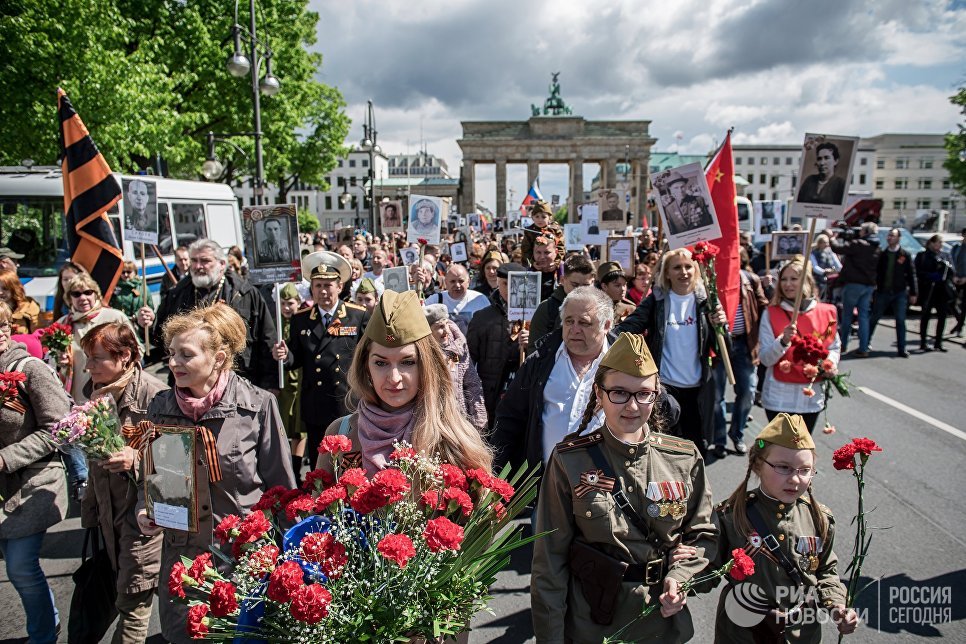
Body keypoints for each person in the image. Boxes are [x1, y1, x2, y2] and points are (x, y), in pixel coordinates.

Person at [531, 332, 716, 643]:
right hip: (593, 622)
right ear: (599, 394)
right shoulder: (570, 461)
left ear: (657, 395)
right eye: (619, 392)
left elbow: (705, 535)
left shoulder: (683, 458)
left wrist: (681, 577)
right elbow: (549, 561)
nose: (632, 406)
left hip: (661, 623)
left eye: (644, 394)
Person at [136, 303, 295, 644]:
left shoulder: (257, 405)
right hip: (184, 558)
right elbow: (152, 480)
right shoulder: (160, 409)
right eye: (171, 353)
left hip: (242, 558)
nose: (173, 363)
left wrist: (289, 561)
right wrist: (144, 509)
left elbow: (282, 489)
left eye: (186, 355)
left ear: (219, 358)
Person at [713, 414, 859, 642]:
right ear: (758, 466)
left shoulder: (819, 518)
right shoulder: (730, 516)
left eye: (804, 470)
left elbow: (826, 572)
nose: (795, 479)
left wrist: (837, 606)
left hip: (801, 633)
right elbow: (706, 568)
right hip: (742, 632)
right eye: (783, 467)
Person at [314, 289, 492, 477]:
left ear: (426, 366)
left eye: (407, 362)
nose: (394, 378)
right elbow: (319, 503)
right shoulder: (340, 434)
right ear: (365, 366)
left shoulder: (455, 438)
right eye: (381, 363)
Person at [78, 321, 166, 644]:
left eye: (95, 358)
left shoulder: (155, 396)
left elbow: (176, 464)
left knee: (133, 607)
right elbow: (94, 468)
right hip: (110, 522)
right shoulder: (96, 395)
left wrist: (136, 460)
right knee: (164, 600)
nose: (87, 367)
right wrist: (91, 516)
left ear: (125, 356)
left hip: (145, 522)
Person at [0, 302, 71, 644]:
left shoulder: (30, 369)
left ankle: (43, 634)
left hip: (32, 484)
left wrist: (6, 458)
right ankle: (49, 618)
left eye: (1, 326)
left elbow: (59, 429)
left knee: (20, 566)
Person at [616, 248, 728, 456]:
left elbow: (724, 349)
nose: (683, 272)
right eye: (677, 267)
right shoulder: (657, 301)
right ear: (667, 272)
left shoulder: (707, 302)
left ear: (696, 270)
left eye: (688, 267)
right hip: (665, 390)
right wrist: (601, 337)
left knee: (695, 453)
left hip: (698, 390)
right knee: (664, 452)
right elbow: (627, 328)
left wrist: (721, 326)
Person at [137, 239, 278, 390]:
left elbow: (267, 339)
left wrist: (270, 384)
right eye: (194, 261)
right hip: (191, 387)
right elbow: (160, 339)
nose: (198, 266)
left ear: (222, 264)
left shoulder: (245, 294)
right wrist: (147, 324)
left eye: (204, 261)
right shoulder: (177, 294)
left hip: (238, 384)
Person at [272, 251, 368, 460]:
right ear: (312, 289)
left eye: (328, 285)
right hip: (316, 402)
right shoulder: (301, 320)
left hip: (346, 400)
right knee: (321, 460)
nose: (323, 291)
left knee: (350, 459)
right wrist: (284, 355)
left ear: (339, 287)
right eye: (318, 285)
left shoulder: (357, 315)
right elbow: (295, 359)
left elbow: (367, 356)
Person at [757, 257, 840, 433]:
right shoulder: (771, 313)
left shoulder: (827, 312)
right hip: (779, 395)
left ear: (807, 281)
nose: (788, 284)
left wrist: (830, 364)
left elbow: (833, 346)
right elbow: (765, 358)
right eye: (784, 279)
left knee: (802, 449)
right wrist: (783, 341)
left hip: (811, 395)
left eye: (794, 279)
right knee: (779, 451)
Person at [711, 254, 769, 457]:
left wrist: (768, 288)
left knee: (747, 391)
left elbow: (764, 307)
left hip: (744, 343)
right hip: (718, 346)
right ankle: (718, 439)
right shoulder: (709, 280)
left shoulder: (749, 280)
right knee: (716, 395)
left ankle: (737, 433)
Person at [467, 262, 528, 430]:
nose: (509, 289)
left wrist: (532, 344)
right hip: (491, 392)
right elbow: (469, 361)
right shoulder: (482, 318)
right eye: (505, 284)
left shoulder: (535, 316)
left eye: (514, 284)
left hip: (524, 389)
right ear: (498, 283)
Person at [424, 304, 488, 432]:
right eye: (440, 327)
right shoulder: (423, 354)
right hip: (434, 423)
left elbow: (472, 382)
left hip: (460, 419)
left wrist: (478, 418)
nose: (446, 330)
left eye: (446, 324)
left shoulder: (457, 348)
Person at [833, 222, 880, 357]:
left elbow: (838, 248)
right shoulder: (877, 247)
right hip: (869, 285)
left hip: (854, 284)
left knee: (847, 315)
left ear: (865, 232)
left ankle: (843, 345)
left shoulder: (859, 244)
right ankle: (864, 347)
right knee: (863, 316)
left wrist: (832, 238)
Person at [529, 253, 595, 348]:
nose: (580, 291)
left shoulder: (599, 309)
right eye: (575, 285)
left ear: (593, 282)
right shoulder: (546, 309)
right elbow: (534, 351)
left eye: (585, 286)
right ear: (563, 280)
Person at [277, 283, 307, 484]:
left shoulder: (302, 323)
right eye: (284, 303)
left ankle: (296, 470)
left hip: (302, 381)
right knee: (282, 428)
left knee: (299, 429)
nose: (287, 307)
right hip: (284, 386)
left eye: (291, 303)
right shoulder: (276, 325)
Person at [870, 228, 917, 357]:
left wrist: (914, 292)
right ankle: (866, 342)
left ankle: (902, 348)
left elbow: (911, 274)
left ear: (898, 238)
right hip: (883, 291)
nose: (889, 238)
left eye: (893, 236)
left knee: (900, 320)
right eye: (889, 236)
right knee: (875, 317)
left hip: (899, 292)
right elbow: (876, 272)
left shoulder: (904, 255)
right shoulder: (883, 254)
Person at [914, 234, 953, 352]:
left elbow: (951, 272)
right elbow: (918, 272)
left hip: (942, 290)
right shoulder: (922, 256)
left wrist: (946, 269)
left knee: (942, 316)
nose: (940, 245)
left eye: (941, 243)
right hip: (928, 290)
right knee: (925, 315)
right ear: (931, 243)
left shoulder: (945, 255)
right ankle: (923, 342)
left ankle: (938, 342)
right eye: (938, 243)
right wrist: (931, 276)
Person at [427, 264, 488, 335]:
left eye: (461, 281)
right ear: (446, 282)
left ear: (468, 282)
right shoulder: (434, 300)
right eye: (452, 281)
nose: (457, 285)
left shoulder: (479, 299)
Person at [521, 201, 565, 267]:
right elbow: (525, 250)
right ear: (532, 217)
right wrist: (532, 263)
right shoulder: (529, 231)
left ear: (549, 218)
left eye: (543, 217)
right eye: (537, 216)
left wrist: (556, 262)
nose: (540, 219)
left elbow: (561, 247)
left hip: (552, 265)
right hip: (536, 265)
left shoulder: (555, 230)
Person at [0, 269, 40, 334]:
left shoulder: (30, 308)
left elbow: (38, 337)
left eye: (5, 288)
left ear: (14, 288)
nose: (0, 292)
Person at [112, 260, 152, 325]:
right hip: (120, 324)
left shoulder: (143, 287)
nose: (125, 274)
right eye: (123, 272)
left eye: (129, 272)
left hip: (139, 325)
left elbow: (150, 307)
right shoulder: (115, 287)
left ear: (135, 272)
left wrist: (136, 315)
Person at [809, 234, 842, 300]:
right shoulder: (813, 253)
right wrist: (824, 272)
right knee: (818, 297)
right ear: (819, 243)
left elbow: (838, 265)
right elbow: (815, 267)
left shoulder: (831, 252)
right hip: (818, 280)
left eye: (827, 242)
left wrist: (835, 270)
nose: (826, 244)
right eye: (824, 242)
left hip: (831, 279)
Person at [531, 232, 562, 300]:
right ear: (533, 252)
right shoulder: (527, 273)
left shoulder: (565, 271)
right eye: (538, 252)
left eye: (547, 252)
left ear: (556, 252)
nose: (542, 257)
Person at [952, 228, 966, 337]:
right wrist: (955, 275)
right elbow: (952, 263)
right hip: (956, 278)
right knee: (951, 302)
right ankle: (959, 322)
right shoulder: (957, 248)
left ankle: (959, 327)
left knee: (964, 305)